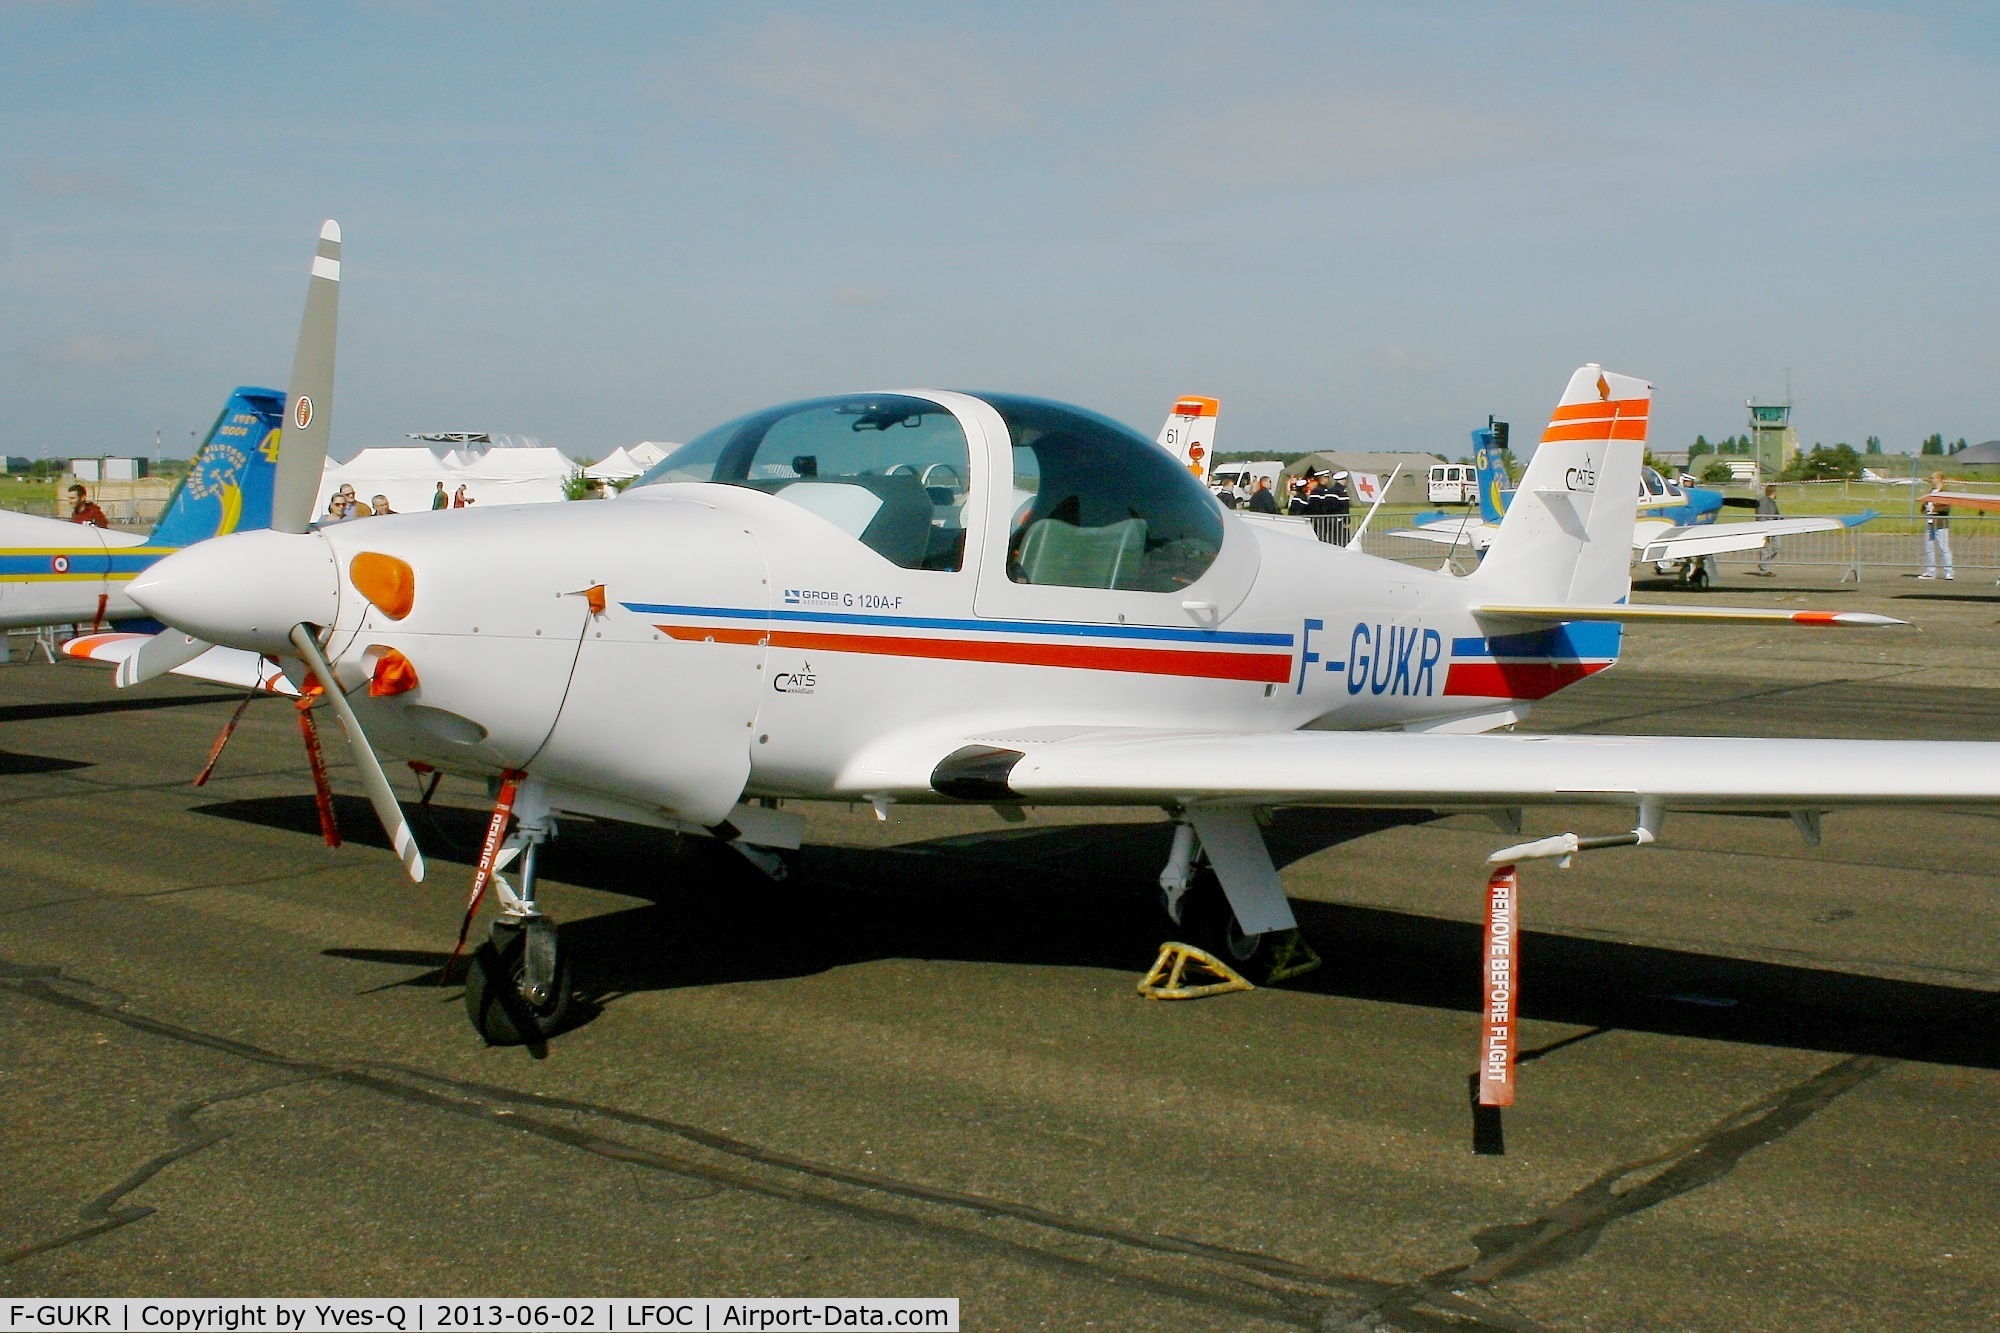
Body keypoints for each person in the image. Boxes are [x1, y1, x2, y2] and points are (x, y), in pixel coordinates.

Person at [1920, 472, 1953, 581]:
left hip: (1940, 523)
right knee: (1928, 547)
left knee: (1944, 548)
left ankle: (1949, 572)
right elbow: (1924, 505)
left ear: (1939, 479)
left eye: (1933, 478)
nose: (1931, 480)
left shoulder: (1945, 492)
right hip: (1930, 522)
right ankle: (1930, 572)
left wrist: (1934, 510)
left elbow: (1946, 508)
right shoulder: (1931, 492)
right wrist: (1925, 508)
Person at [1751, 483, 1781, 575]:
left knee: (1776, 548)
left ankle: (1763, 564)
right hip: (1767, 529)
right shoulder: (1763, 501)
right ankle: (1764, 569)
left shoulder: (1772, 502)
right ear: (1774, 492)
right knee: (1766, 549)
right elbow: (1761, 516)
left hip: (1774, 528)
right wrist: (1764, 531)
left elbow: (1777, 515)